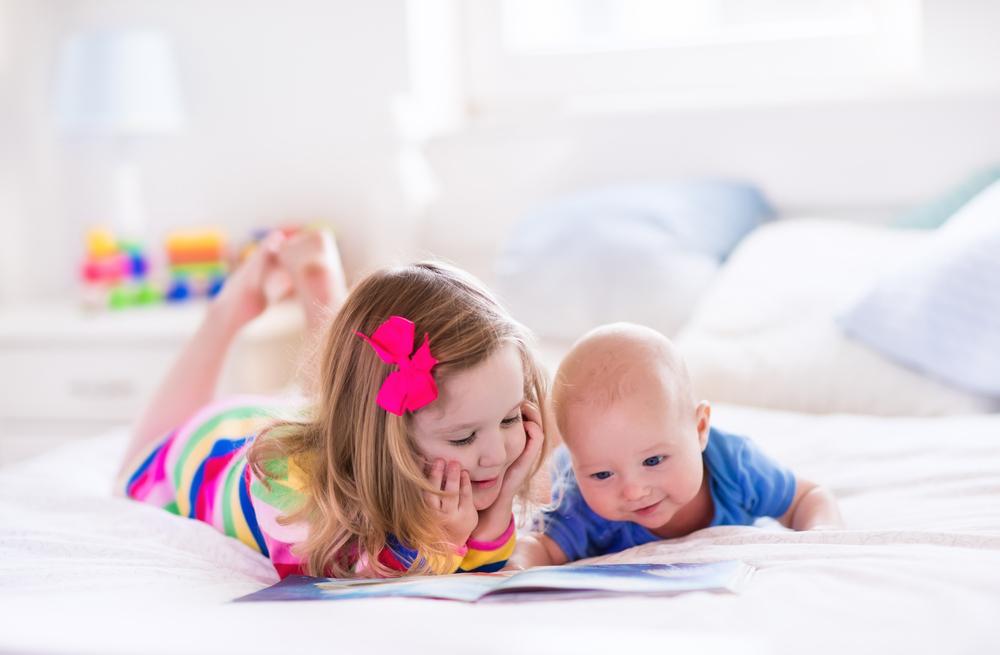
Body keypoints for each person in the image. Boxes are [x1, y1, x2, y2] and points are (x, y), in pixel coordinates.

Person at [115, 229, 550, 579]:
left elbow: (484, 572)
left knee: (344, 392)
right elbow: (354, 577)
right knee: (130, 474)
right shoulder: (289, 497)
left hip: (318, 423)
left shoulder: (459, 453)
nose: (496, 453)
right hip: (208, 452)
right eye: (464, 436)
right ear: (387, 438)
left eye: (510, 417)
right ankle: (226, 312)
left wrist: (497, 506)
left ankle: (320, 286)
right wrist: (445, 541)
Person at [510, 322, 843, 568]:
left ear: (700, 428)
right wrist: (516, 569)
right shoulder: (581, 503)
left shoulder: (735, 465)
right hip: (563, 467)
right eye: (602, 475)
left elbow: (807, 497)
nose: (634, 491)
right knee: (543, 478)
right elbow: (541, 546)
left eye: (653, 461)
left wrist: (821, 535)